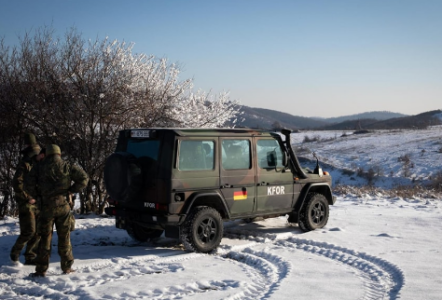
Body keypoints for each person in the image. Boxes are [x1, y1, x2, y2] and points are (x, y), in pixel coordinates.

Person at [24, 144, 88, 277]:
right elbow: (84, 179)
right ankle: (67, 267)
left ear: (47, 153)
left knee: (44, 239)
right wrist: (71, 190)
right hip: (63, 206)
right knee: (64, 238)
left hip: (46, 207)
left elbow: (27, 184)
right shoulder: (67, 166)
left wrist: (37, 196)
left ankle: (41, 269)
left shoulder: (39, 167)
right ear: (59, 154)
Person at [10, 143, 42, 265]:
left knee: (38, 231)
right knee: (29, 230)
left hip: (37, 202)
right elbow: (17, 183)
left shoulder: (37, 165)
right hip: (27, 203)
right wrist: (27, 197)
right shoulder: (24, 165)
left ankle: (31, 256)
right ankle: (15, 254)